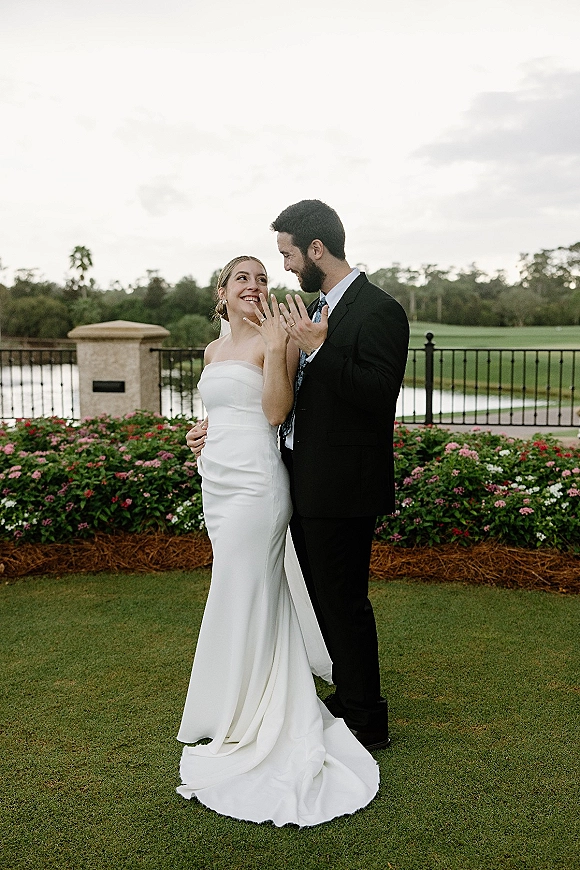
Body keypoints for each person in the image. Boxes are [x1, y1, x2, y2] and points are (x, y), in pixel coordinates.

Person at [176, 255, 379, 827]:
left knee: (245, 586)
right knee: (232, 584)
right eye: (243, 277)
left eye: (263, 278)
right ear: (222, 293)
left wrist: (274, 347)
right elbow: (222, 409)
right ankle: (231, 700)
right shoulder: (214, 351)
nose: (255, 285)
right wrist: (201, 433)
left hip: (259, 484)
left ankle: (255, 711)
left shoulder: (279, 339)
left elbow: (273, 411)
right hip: (218, 478)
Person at [271, 200, 410, 751]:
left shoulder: (379, 310)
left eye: (287, 254)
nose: (285, 266)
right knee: (326, 599)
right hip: (307, 478)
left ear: (316, 249)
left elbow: (378, 397)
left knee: (346, 601)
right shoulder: (316, 309)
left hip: (344, 485)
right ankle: (351, 694)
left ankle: (369, 720)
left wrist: (319, 349)